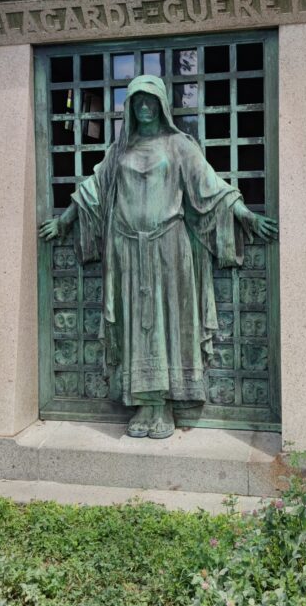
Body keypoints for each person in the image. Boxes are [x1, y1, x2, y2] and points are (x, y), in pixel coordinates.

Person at [40, 74, 278, 439]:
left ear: (162, 105)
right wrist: (63, 221)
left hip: (169, 248)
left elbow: (211, 188)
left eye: (151, 99)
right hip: (126, 251)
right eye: (138, 101)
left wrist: (246, 216)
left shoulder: (179, 146)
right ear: (131, 108)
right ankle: (143, 404)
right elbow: (93, 191)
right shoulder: (120, 150)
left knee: (169, 326)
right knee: (134, 327)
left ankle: (165, 405)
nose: (145, 106)